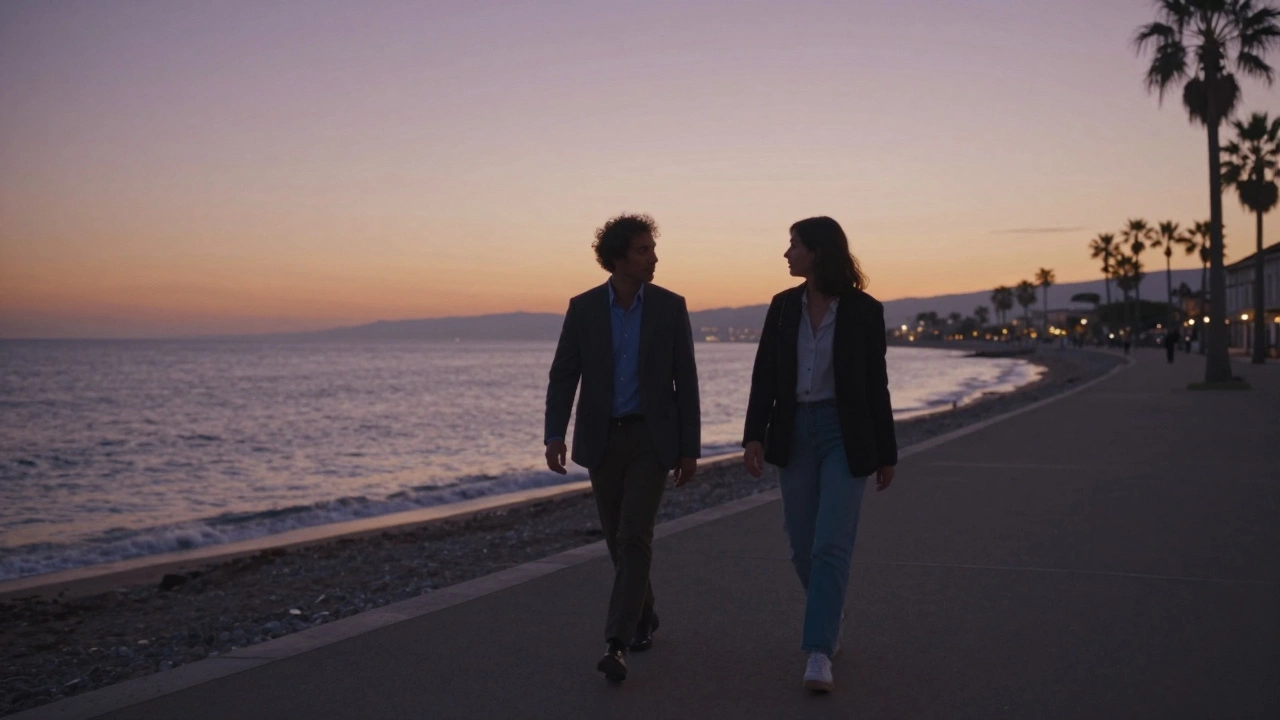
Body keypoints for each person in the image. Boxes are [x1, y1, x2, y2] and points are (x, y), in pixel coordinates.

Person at [742, 216, 898, 693]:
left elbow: (876, 384)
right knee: (801, 545)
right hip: (794, 432)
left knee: (831, 543)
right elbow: (765, 373)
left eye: (793, 245)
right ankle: (831, 612)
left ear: (818, 251)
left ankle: (818, 652)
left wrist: (887, 452)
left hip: (843, 434)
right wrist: (753, 435)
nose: (786, 254)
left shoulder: (863, 310)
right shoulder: (783, 306)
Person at [544, 213, 701, 682]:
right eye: (643, 250)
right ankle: (644, 615)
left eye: (652, 249)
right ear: (617, 258)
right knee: (618, 539)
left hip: (651, 440)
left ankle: (617, 642)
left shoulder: (671, 307)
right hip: (601, 438)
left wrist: (688, 448)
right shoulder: (584, 307)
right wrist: (555, 433)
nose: (653, 258)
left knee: (636, 535)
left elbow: (685, 381)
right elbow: (564, 373)